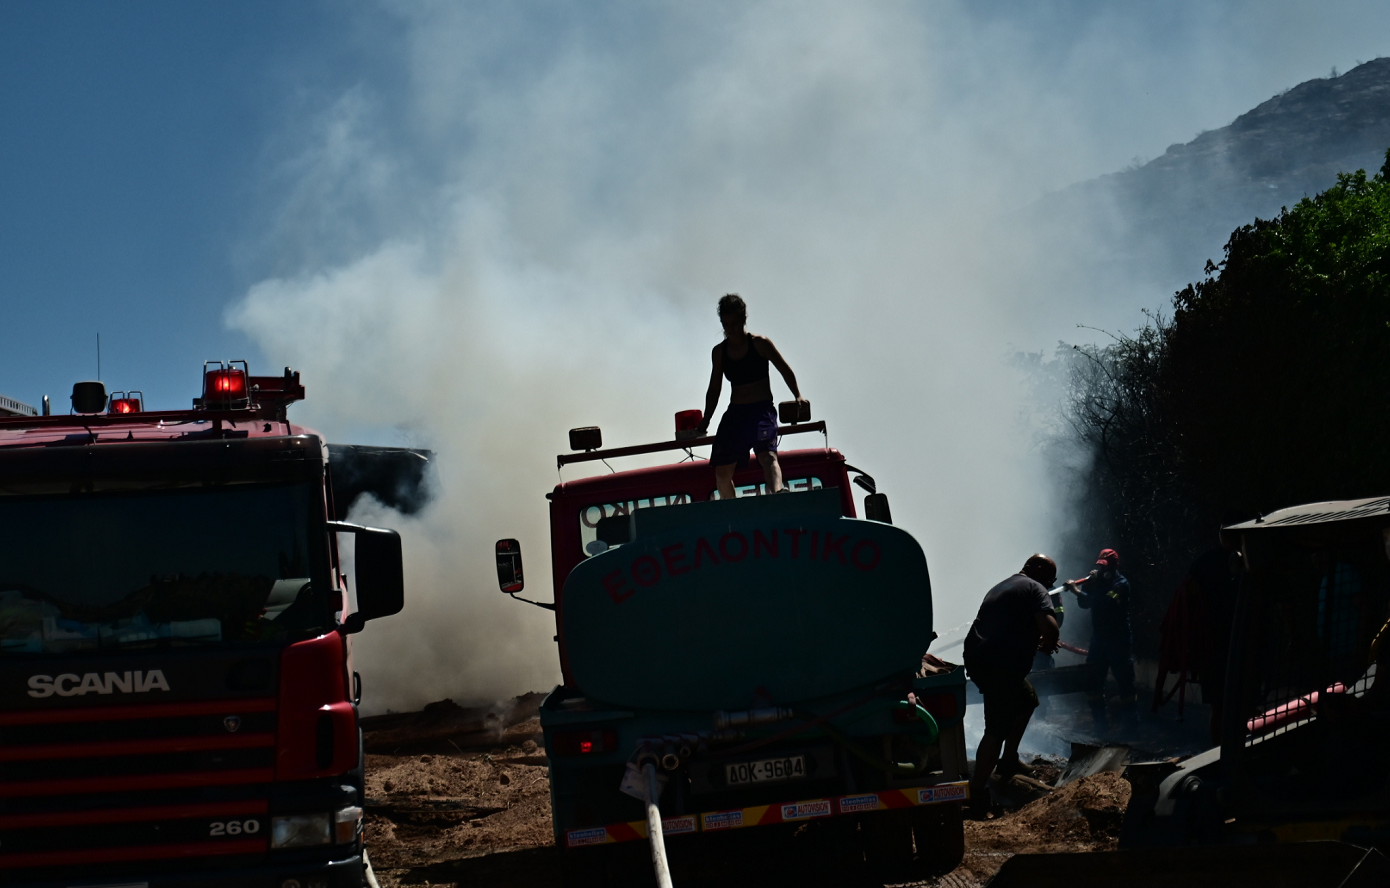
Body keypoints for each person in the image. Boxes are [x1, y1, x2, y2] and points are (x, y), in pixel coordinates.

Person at [963, 554, 1060, 817]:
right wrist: (1049, 641)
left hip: (980, 659)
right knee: (996, 727)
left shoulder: (1004, 585)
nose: (1051, 585)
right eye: (1050, 579)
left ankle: (1009, 760)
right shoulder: (1035, 587)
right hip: (1000, 667)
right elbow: (1050, 628)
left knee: (1027, 698)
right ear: (1039, 572)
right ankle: (977, 793)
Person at [695, 294, 806, 500]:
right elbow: (714, 388)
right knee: (721, 472)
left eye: (734, 324)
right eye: (725, 324)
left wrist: (798, 395)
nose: (730, 329)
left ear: (743, 319)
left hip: (761, 410)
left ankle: (777, 495)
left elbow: (784, 369)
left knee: (767, 456)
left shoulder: (760, 344)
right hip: (736, 414)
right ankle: (733, 511)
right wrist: (706, 419)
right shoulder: (719, 352)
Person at [1067, 548, 1134, 732]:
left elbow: (1105, 604)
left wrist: (1076, 591)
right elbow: (1083, 604)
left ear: (1114, 566)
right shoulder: (1097, 583)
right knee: (1093, 682)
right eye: (1100, 566)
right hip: (1099, 640)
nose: (1102, 570)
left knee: (1125, 682)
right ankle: (1100, 725)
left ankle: (1131, 727)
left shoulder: (1120, 585)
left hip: (1118, 639)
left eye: (1106, 567)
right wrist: (1087, 586)